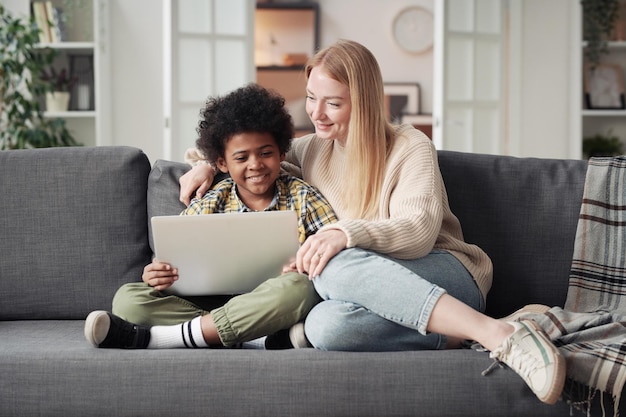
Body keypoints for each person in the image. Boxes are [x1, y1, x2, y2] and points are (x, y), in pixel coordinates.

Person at [179, 39, 566, 405]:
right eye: (312, 98)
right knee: (324, 327)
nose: (315, 113)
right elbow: (247, 152)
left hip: (447, 272)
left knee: (332, 264)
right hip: (373, 290)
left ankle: (498, 332)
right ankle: (456, 336)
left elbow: (418, 231)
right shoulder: (312, 148)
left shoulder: (409, 146)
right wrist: (203, 166)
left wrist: (343, 234)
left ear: (363, 102)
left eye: (332, 103)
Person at [84, 83, 337, 350]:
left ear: (281, 153)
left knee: (300, 288)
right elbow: (174, 258)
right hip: (216, 302)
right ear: (221, 164)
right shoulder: (212, 200)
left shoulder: (304, 197)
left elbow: (334, 253)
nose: (256, 164)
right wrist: (156, 273)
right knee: (128, 299)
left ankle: (165, 338)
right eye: (242, 157)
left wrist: (307, 265)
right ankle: (257, 338)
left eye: (266, 153)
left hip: (273, 300)